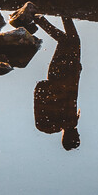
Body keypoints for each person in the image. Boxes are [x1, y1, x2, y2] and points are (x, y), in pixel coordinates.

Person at [32, 15, 82, 150]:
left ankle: (64, 14)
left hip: (64, 74)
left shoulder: (68, 121)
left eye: (76, 136)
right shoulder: (65, 122)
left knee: (72, 41)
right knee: (66, 41)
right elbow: (72, 93)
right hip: (60, 75)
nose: (78, 133)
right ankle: (47, 18)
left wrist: (76, 72)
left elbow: (70, 93)